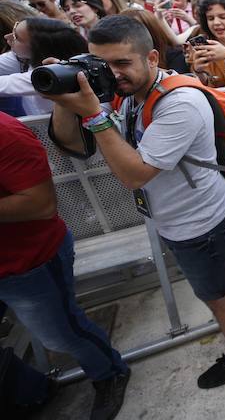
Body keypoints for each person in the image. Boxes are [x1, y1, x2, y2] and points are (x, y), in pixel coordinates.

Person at [41, 15, 225, 390]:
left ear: (152, 58)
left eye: (122, 63)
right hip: (206, 212)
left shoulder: (178, 102)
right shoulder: (132, 92)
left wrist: (91, 113)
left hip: (198, 222)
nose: (112, 74)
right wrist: (61, 98)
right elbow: (72, 146)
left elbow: (135, 174)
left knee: (217, 294)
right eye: (102, 65)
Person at [0, 111, 130, 420]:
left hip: (27, 263)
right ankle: (32, 391)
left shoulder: (5, 133)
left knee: (62, 333)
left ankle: (110, 373)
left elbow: (41, 203)